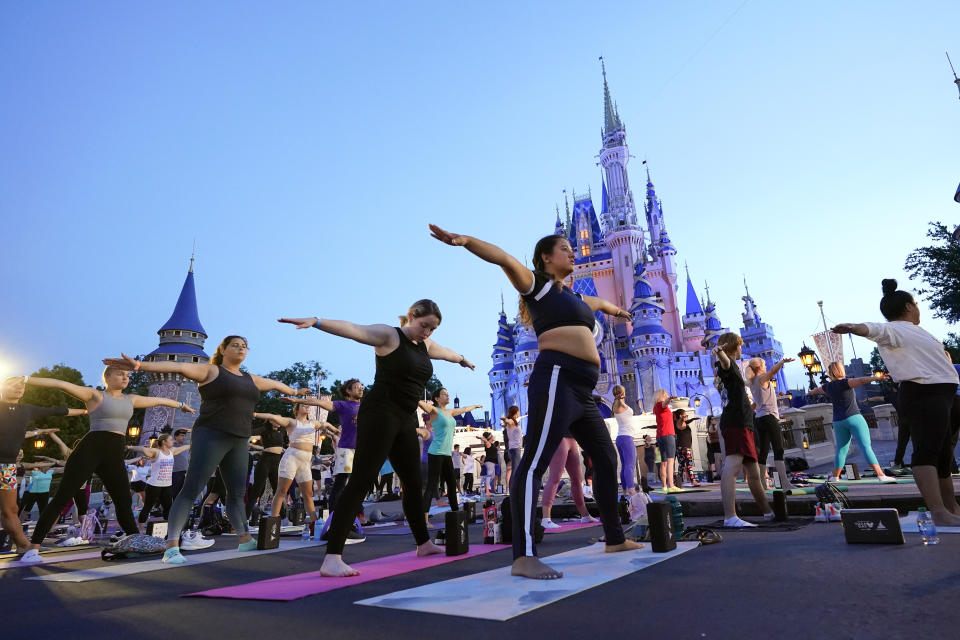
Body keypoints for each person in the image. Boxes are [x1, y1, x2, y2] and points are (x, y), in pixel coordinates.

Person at [430, 225, 641, 580]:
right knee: (533, 464)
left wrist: (619, 311)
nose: (572, 252)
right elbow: (503, 258)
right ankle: (524, 555)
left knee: (606, 458)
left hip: (583, 392)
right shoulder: (538, 288)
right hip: (556, 379)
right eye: (564, 248)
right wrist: (465, 241)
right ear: (546, 257)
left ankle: (615, 538)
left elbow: (598, 304)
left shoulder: (575, 299)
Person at [278, 298, 475, 577]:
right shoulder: (388, 335)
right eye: (424, 325)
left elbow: (445, 352)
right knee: (360, 480)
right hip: (380, 413)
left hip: (406, 418)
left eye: (432, 329)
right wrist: (318, 322)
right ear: (411, 317)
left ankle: (423, 543)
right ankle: (332, 557)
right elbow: (353, 329)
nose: (427, 333)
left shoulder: (426, 345)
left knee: (412, 481)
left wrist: (462, 359)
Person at [102, 336, 312, 564]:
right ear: (223, 350)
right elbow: (178, 366)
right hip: (211, 434)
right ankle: (171, 547)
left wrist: (295, 391)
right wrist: (140, 365)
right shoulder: (211, 371)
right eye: (235, 345)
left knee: (236, 493)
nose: (241, 348)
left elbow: (273, 383)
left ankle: (244, 539)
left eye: (244, 346)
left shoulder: (250, 379)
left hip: (239, 439)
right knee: (191, 489)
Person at [22, 368, 195, 562]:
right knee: (63, 496)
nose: (125, 378)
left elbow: (160, 401)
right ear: (107, 377)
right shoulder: (95, 395)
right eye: (121, 374)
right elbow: (61, 384)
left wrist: (181, 405)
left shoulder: (131, 399)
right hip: (90, 450)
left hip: (113, 455)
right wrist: (26, 379)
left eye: (128, 376)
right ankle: (33, 548)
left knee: (123, 500)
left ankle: (134, 539)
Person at [831, 279, 960, 526]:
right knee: (928, 452)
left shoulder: (917, 331)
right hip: (924, 393)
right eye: (917, 304)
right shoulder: (895, 330)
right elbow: (874, 329)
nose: (918, 308)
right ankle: (938, 511)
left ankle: (951, 506)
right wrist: (852, 327)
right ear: (910, 306)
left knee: (943, 454)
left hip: (944, 395)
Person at [710, 333, 775, 527]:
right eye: (739, 346)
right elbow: (724, 363)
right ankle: (730, 516)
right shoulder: (727, 364)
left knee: (754, 473)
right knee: (731, 466)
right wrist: (720, 352)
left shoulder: (734, 368)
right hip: (736, 422)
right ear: (732, 347)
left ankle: (768, 513)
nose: (741, 350)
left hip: (744, 422)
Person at [282, 379, 364, 519]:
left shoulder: (366, 406)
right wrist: (296, 401)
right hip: (346, 450)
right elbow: (319, 402)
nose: (361, 389)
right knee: (341, 482)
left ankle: (359, 515)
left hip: (362, 449)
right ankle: (333, 518)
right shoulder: (343, 405)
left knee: (359, 483)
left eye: (361, 387)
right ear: (348, 391)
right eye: (356, 387)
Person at [808, 362, 897, 483]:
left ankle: (835, 477)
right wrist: (877, 377)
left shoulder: (828, 386)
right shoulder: (845, 382)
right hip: (854, 418)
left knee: (841, 450)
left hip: (838, 421)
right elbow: (861, 381)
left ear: (830, 373)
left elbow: (816, 390)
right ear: (841, 370)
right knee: (866, 447)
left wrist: (809, 392)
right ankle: (881, 475)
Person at [252, 404, 338, 530]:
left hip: (305, 461)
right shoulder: (291, 422)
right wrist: (254, 414)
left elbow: (326, 424)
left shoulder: (313, 423)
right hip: (291, 458)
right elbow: (271, 416)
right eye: (304, 406)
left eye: (308, 406)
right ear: (297, 409)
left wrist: (336, 431)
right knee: (281, 491)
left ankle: (315, 524)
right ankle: (273, 523)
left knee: (308, 493)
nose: (307, 407)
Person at [419, 389, 481, 527]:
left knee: (452, 485)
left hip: (447, 453)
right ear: (436, 398)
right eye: (444, 394)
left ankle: (457, 517)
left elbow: (464, 409)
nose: (448, 396)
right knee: (431, 486)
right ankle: (424, 520)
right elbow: (420, 403)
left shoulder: (450, 412)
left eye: (448, 394)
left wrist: (475, 406)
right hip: (435, 452)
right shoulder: (434, 411)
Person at [745, 357, 796, 490]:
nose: (766, 366)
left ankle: (761, 483)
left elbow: (757, 403)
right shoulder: (761, 378)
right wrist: (782, 362)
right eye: (764, 365)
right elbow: (773, 372)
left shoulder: (752, 382)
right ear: (759, 367)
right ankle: (785, 483)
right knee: (778, 450)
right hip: (769, 418)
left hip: (760, 419)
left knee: (763, 452)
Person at [128, 433, 192, 525]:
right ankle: (140, 530)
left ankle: (167, 530)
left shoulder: (172, 451)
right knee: (147, 507)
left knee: (168, 508)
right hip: (154, 486)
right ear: (164, 442)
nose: (173, 441)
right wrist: (130, 447)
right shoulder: (156, 452)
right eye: (170, 440)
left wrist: (194, 443)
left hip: (167, 486)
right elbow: (143, 449)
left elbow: (184, 447)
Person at [540, 436, 600, 528]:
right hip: (559, 437)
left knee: (577, 479)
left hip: (571, 438)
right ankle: (546, 519)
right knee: (555, 477)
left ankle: (585, 515)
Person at [245, 416, 286, 522]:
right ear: (270, 421)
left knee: (278, 489)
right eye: (275, 419)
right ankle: (244, 519)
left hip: (276, 463)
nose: (278, 421)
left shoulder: (282, 431)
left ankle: (282, 516)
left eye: (279, 419)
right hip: (265, 461)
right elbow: (250, 432)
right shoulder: (265, 429)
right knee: (257, 490)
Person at [612, 385, 639, 495]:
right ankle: (632, 490)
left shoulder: (615, 405)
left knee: (625, 465)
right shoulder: (622, 405)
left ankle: (625, 490)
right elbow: (623, 404)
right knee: (629, 465)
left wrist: (620, 398)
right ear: (623, 393)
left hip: (620, 438)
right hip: (627, 438)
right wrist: (621, 398)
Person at [652, 389, 679, 492]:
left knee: (663, 462)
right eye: (666, 394)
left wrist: (668, 400)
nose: (667, 395)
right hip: (668, 435)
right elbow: (664, 403)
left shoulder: (656, 407)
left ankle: (664, 486)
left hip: (660, 436)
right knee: (670, 461)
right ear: (662, 395)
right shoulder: (661, 405)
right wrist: (670, 398)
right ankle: (671, 485)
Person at [673, 409, 700, 487]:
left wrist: (692, 419)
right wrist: (683, 418)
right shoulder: (680, 422)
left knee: (681, 465)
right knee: (689, 464)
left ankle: (679, 482)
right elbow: (682, 421)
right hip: (685, 447)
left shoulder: (675, 423)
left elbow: (686, 421)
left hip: (680, 447)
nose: (686, 417)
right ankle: (693, 481)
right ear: (681, 416)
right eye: (685, 415)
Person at [500, 406, 523, 488]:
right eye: (518, 411)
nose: (519, 412)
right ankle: (513, 490)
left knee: (516, 470)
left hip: (515, 449)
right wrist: (505, 419)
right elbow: (508, 421)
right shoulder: (511, 422)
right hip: (514, 449)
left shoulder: (514, 422)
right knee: (516, 471)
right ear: (516, 412)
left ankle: (514, 489)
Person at [170, 429, 191, 500]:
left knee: (181, 493)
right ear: (176, 436)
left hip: (184, 473)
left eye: (184, 436)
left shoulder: (184, 447)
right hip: (175, 473)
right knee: (174, 493)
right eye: (182, 435)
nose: (184, 437)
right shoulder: (171, 446)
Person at [704, 416, 722, 482]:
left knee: (716, 461)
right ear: (711, 421)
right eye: (713, 419)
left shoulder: (713, 428)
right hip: (714, 447)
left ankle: (716, 474)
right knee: (715, 461)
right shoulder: (712, 428)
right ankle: (716, 474)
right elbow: (709, 440)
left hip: (715, 447)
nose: (715, 420)